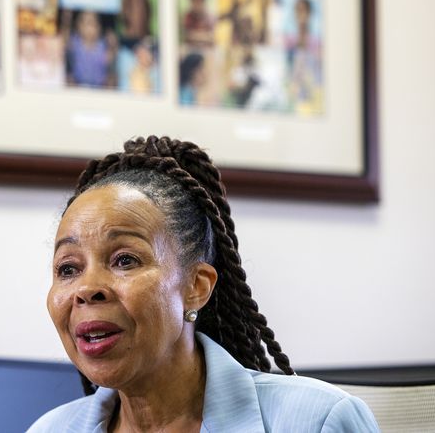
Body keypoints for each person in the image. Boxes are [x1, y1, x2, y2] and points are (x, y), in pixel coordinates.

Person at [28, 136, 380, 432]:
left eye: (125, 260)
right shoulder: (50, 429)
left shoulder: (318, 421)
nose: (87, 288)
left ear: (196, 286)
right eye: (68, 268)